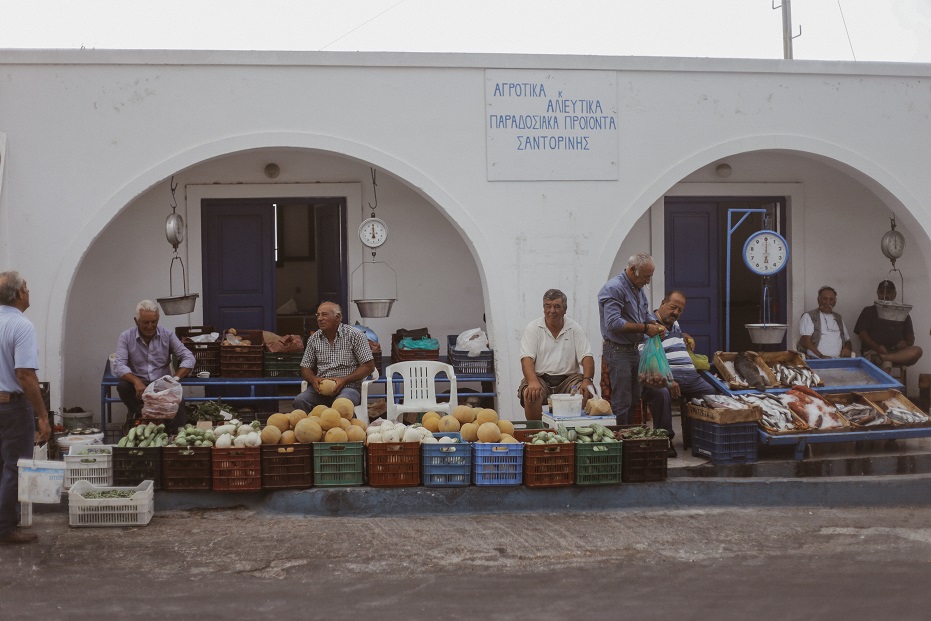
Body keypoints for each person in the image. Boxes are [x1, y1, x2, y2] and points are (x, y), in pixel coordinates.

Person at [0, 271, 51, 545]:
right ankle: (5, 528)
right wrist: (42, 415)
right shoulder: (21, 326)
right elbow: (25, 375)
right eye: (27, 288)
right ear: (19, 294)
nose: (29, 292)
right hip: (10, 406)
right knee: (13, 467)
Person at [641, 290, 716, 457]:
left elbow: (674, 337)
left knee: (711, 393)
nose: (676, 312)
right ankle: (665, 439)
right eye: (673, 307)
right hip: (661, 377)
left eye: (680, 310)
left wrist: (684, 335)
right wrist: (667, 379)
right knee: (661, 393)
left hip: (690, 378)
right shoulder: (649, 325)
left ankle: (696, 437)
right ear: (663, 303)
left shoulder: (675, 324)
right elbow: (647, 358)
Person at [598, 253, 666, 425]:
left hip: (634, 349)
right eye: (646, 277)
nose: (648, 281)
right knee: (622, 400)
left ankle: (629, 436)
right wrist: (645, 328)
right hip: (617, 350)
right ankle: (621, 439)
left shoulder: (638, 289)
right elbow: (613, 323)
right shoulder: (614, 288)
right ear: (633, 270)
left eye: (650, 276)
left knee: (635, 397)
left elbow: (645, 314)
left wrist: (655, 324)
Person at [112, 300, 195, 433]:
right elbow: (118, 365)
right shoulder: (126, 336)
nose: (150, 326)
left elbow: (188, 357)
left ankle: (175, 438)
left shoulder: (167, 335)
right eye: (145, 322)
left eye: (154, 322)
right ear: (136, 321)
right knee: (123, 386)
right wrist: (136, 381)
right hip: (139, 387)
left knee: (179, 405)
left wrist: (175, 379)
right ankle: (142, 415)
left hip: (162, 385)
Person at [518, 289, 595, 421]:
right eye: (548, 306)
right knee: (530, 393)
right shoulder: (533, 328)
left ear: (565, 309)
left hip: (569, 380)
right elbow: (526, 359)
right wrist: (532, 382)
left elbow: (587, 356)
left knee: (585, 392)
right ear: (543, 309)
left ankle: (574, 431)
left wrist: (587, 380)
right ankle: (536, 434)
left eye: (557, 306)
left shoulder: (574, 328)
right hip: (541, 378)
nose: (552, 310)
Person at [293, 301, 376, 413]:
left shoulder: (355, 335)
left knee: (341, 404)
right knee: (300, 400)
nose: (319, 318)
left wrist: (344, 380)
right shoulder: (314, 338)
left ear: (338, 317)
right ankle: (313, 429)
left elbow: (368, 366)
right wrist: (313, 379)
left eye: (324, 314)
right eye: (318, 315)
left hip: (348, 388)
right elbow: (305, 367)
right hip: (321, 390)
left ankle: (340, 430)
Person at [854, 280, 922, 372]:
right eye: (882, 292)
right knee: (887, 364)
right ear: (878, 294)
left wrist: (906, 343)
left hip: (897, 354)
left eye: (889, 292)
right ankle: (885, 362)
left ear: (895, 295)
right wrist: (877, 347)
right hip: (874, 351)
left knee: (917, 351)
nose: (885, 296)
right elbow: (862, 335)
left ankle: (885, 357)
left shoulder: (903, 314)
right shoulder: (869, 311)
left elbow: (911, 339)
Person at [797, 286, 852, 359]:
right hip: (816, 359)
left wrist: (847, 348)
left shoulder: (838, 317)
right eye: (825, 299)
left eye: (831, 299)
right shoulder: (809, 316)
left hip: (838, 360)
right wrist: (821, 356)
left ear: (835, 302)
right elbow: (806, 342)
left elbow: (847, 341)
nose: (827, 302)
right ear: (818, 300)